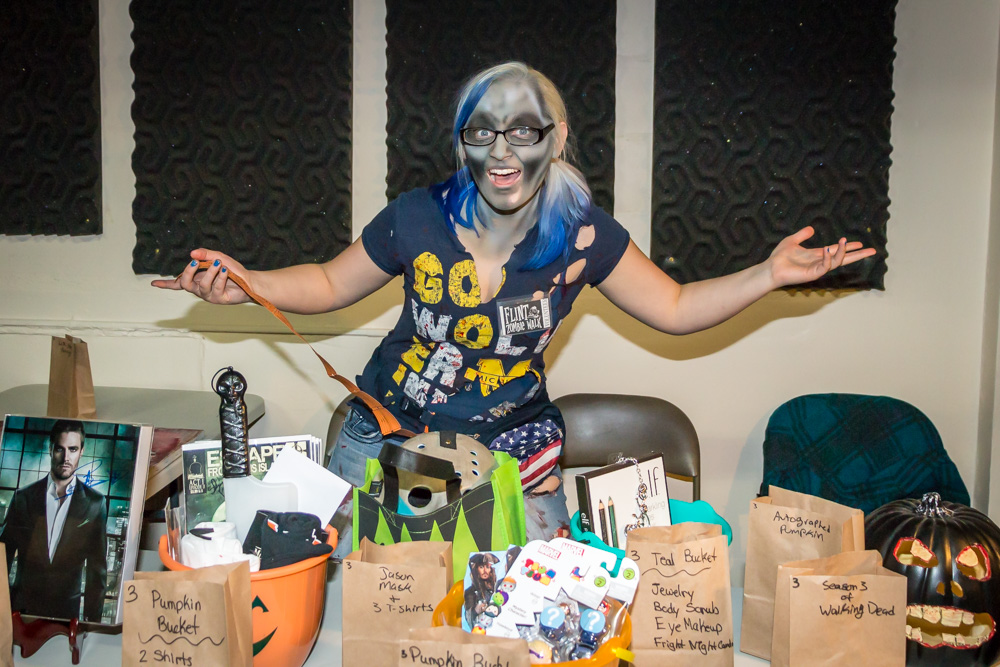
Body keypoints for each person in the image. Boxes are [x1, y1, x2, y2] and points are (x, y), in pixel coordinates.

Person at [153, 61, 874, 554]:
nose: (502, 152)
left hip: (513, 453)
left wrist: (767, 274)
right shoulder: (416, 217)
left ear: (556, 139)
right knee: (381, 609)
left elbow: (677, 306)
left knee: (530, 612)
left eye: (524, 130)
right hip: (390, 437)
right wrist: (251, 283)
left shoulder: (584, 235)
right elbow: (328, 283)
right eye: (482, 132)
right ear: (462, 141)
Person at [1, 419, 108, 622]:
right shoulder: (23, 498)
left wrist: (91, 625)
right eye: (60, 449)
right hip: (21, 614)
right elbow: (2, 558)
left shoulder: (95, 503)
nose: (66, 457)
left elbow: (97, 573)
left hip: (66, 617)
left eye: (73, 449)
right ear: (50, 449)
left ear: (81, 451)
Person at [464, 552, 500, 628]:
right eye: (481, 567)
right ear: (476, 569)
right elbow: (468, 617)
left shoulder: (497, 587)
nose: (485, 570)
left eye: (487, 567)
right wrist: (476, 610)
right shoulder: (470, 592)